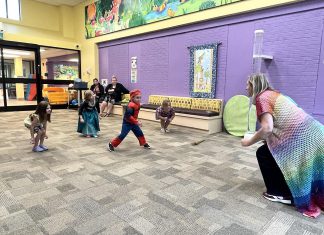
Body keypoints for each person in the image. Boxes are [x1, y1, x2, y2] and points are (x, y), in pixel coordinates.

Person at [241, 73, 324, 218]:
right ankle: (286, 190)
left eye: (247, 84)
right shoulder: (274, 94)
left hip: (305, 138)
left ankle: (278, 193)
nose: (245, 87)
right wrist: (267, 139)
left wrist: (248, 142)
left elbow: (267, 128)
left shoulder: (262, 98)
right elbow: (280, 123)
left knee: (263, 153)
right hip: (316, 133)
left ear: (254, 85)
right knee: (269, 152)